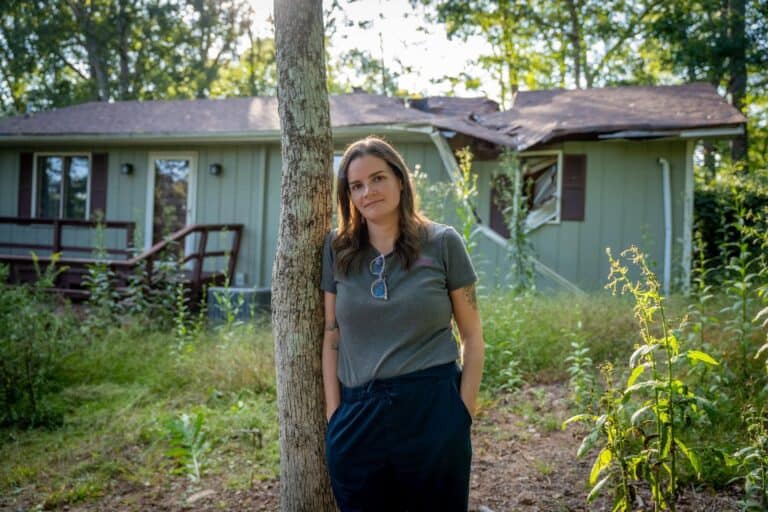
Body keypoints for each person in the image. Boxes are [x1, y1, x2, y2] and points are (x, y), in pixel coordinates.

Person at [320, 136, 484, 511]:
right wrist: (335, 419)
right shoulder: (337, 250)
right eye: (356, 185)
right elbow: (332, 337)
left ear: (399, 180)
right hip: (357, 416)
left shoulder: (443, 243)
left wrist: (461, 414)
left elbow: (472, 337)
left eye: (377, 179)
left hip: (432, 410)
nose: (368, 192)